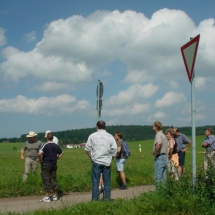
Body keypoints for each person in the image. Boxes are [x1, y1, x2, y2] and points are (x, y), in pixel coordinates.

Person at [85, 121, 117, 201]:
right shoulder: (109, 136)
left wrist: (91, 158)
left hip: (96, 161)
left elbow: (87, 149)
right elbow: (115, 149)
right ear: (104, 127)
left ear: (97, 127)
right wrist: (111, 158)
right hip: (106, 162)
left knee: (95, 182)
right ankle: (107, 198)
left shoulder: (92, 136)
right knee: (107, 182)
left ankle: (95, 199)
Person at [38, 132, 63, 203]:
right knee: (53, 179)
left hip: (46, 164)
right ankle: (55, 195)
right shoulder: (55, 145)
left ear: (46, 137)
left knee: (46, 180)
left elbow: (39, 153)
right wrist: (57, 158)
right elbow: (62, 152)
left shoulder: (45, 145)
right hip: (54, 164)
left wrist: (40, 160)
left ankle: (47, 197)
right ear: (52, 138)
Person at [152, 121, 168, 187]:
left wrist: (155, 153)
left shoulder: (158, 135)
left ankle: (158, 192)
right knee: (163, 176)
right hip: (164, 156)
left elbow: (158, 144)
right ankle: (164, 190)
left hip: (160, 156)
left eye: (153, 126)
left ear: (156, 127)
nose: (152, 127)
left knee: (157, 176)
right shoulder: (163, 135)